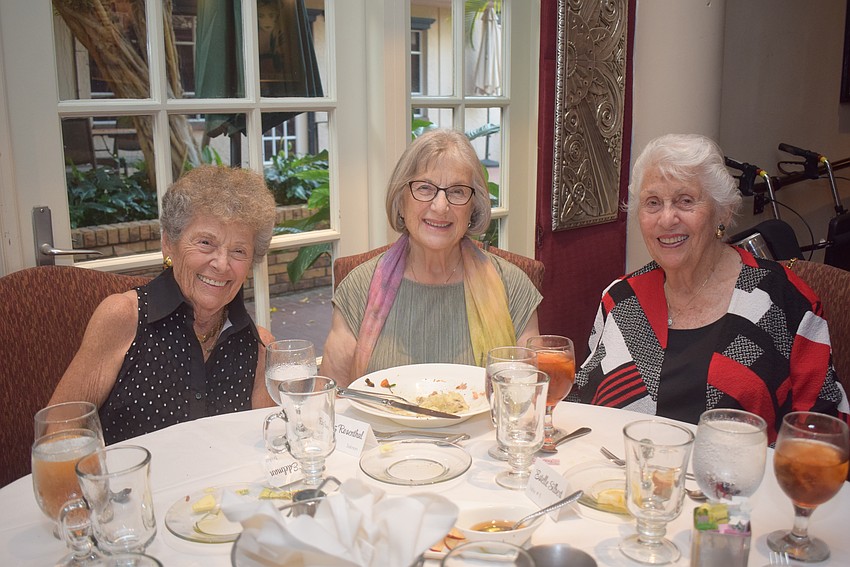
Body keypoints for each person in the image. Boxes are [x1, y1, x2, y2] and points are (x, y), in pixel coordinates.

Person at [572, 133, 848, 442]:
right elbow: (582, 398)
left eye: (685, 201)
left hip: (738, 485)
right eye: (653, 203)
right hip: (623, 480)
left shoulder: (782, 300)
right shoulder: (621, 299)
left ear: (723, 212)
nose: (667, 219)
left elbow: (824, 429)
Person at [48, 166, 278, 443]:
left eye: (238, 251)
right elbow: (58, 434)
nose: (221, 264)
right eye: (206, 242)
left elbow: (270, 449)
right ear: (169, 244)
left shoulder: (259, 347)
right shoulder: (124, 318)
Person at [320, 128, 542, 387]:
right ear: (401, 202)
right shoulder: (359, 287)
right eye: (425, 188)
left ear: (474, 207)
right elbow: (330, 399)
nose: (440, 206)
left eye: (457, 191)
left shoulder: (513, 286)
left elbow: (527, 396)